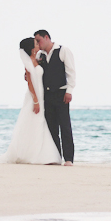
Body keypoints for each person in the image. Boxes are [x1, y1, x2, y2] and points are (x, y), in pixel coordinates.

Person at [1, 37, 62, 165]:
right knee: (35, 121)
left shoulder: (39, 59)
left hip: (42, 95)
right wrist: (35, 101)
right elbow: (30, 83)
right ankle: (36, 155)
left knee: (40, 122)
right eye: (35, 43)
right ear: (31, 47)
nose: (38, 45)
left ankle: (41, 153)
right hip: (34, 97)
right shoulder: (28, 62)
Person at [27, 29, 76, 166]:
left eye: (39, 40)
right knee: (51, 128)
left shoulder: (63, 50)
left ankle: (68, 159)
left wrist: (69, 91)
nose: (37, 43)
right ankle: (55, 157)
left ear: (47, 37)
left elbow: (71, 72)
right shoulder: (40, 55)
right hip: (47, 96)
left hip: (61, 94)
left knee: (65, 127)